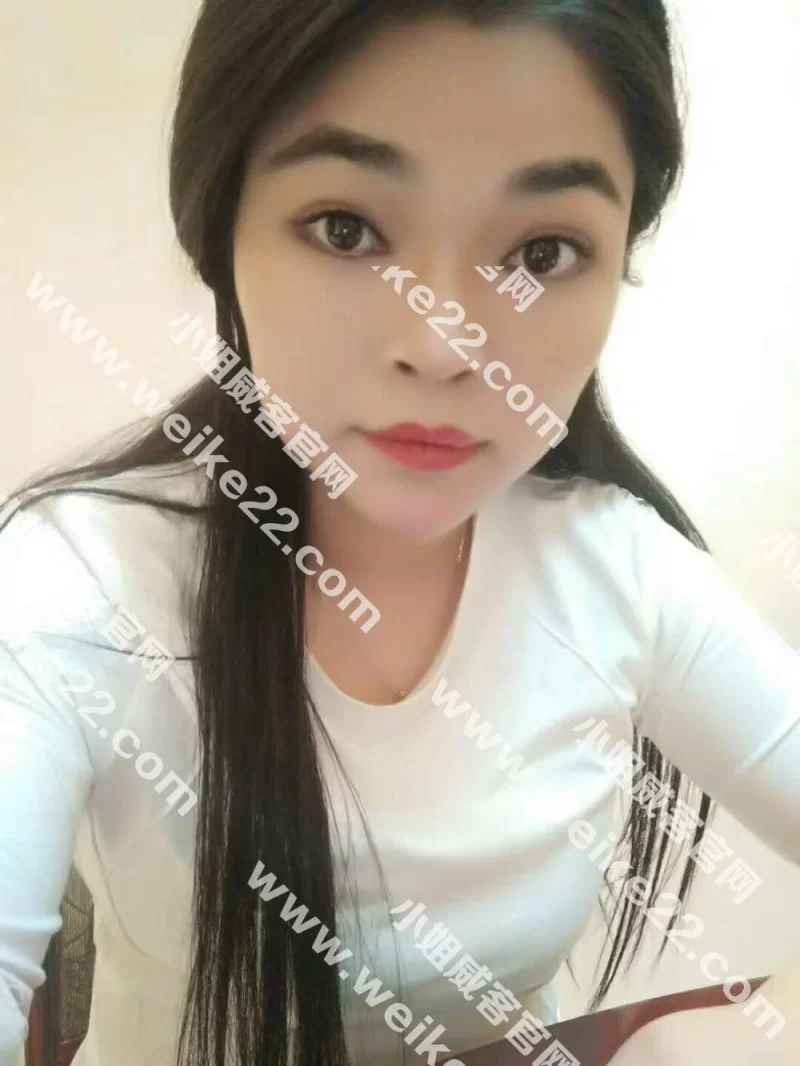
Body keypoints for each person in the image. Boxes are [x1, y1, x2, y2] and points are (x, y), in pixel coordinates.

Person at [1, 1, 799, 1064]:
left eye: (542, 250)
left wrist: (701, 1043)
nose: (442, 343)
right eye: (347, 228)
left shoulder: (623, 572)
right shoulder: (74, 579)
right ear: (220, 232)